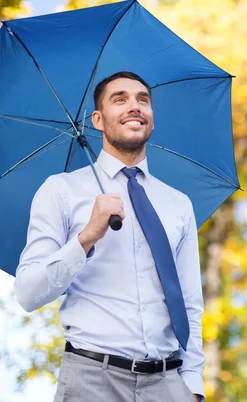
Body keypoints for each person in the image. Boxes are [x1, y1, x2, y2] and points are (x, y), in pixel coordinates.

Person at [14, 71, 206, 402]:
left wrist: (192, 384)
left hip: (169, 383)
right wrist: (87, 237)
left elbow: (189, 301)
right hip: (91, 380)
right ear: (98, 120)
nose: (134, 106)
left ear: (151, 120)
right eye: (120, 99)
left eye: (142, 100)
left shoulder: (178, 204)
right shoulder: (61, 190)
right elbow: (29, 292)